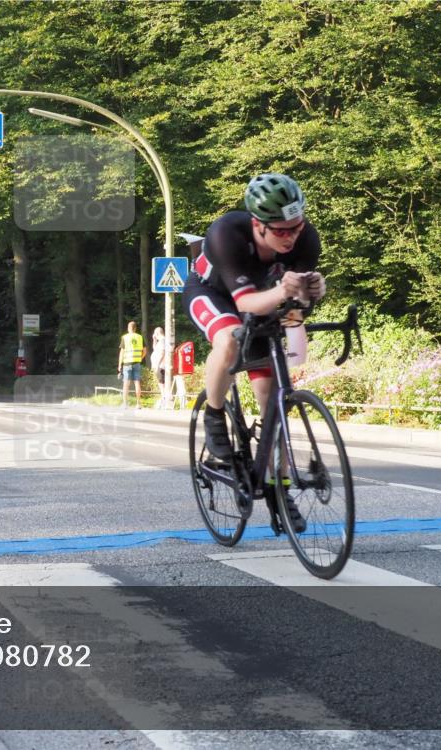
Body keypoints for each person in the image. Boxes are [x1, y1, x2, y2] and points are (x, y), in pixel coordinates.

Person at [182, 173, 326, 532]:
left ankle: (280, 489)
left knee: (272, 402)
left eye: (296, 226)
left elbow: (293, 310)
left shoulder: (306, 239)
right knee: (229, 340)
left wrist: (311, 295)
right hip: (213, 293)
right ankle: (214, 417)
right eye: (280, 231)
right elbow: (245, 301)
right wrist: (283, 292)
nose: (291, 236)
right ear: (257, 225)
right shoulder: (226, 234)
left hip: (260, 304)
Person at [117, 321, 146, 409]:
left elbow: (122, 352)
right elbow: (144, 351)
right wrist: (140, 358)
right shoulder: (140, 337)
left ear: (128, 328)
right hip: (137, 363)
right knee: (137, 382)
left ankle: (125, 404)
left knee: (126, 383)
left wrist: (119, 365)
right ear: (135, 328)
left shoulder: (125, 337)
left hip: (127, 363)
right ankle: (138, 404)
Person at [150, 326, 168, 408]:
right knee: (161, 383)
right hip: (160, 366)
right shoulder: (160, 341)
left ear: (157, 333)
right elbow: (155, 349)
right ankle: (164, 398)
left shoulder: (163, 341)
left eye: (155, 334)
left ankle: (164, 399)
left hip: (161, 366)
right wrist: (154, 340)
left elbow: (162, 353)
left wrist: (157, 364)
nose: (154, 335)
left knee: (162, 383)